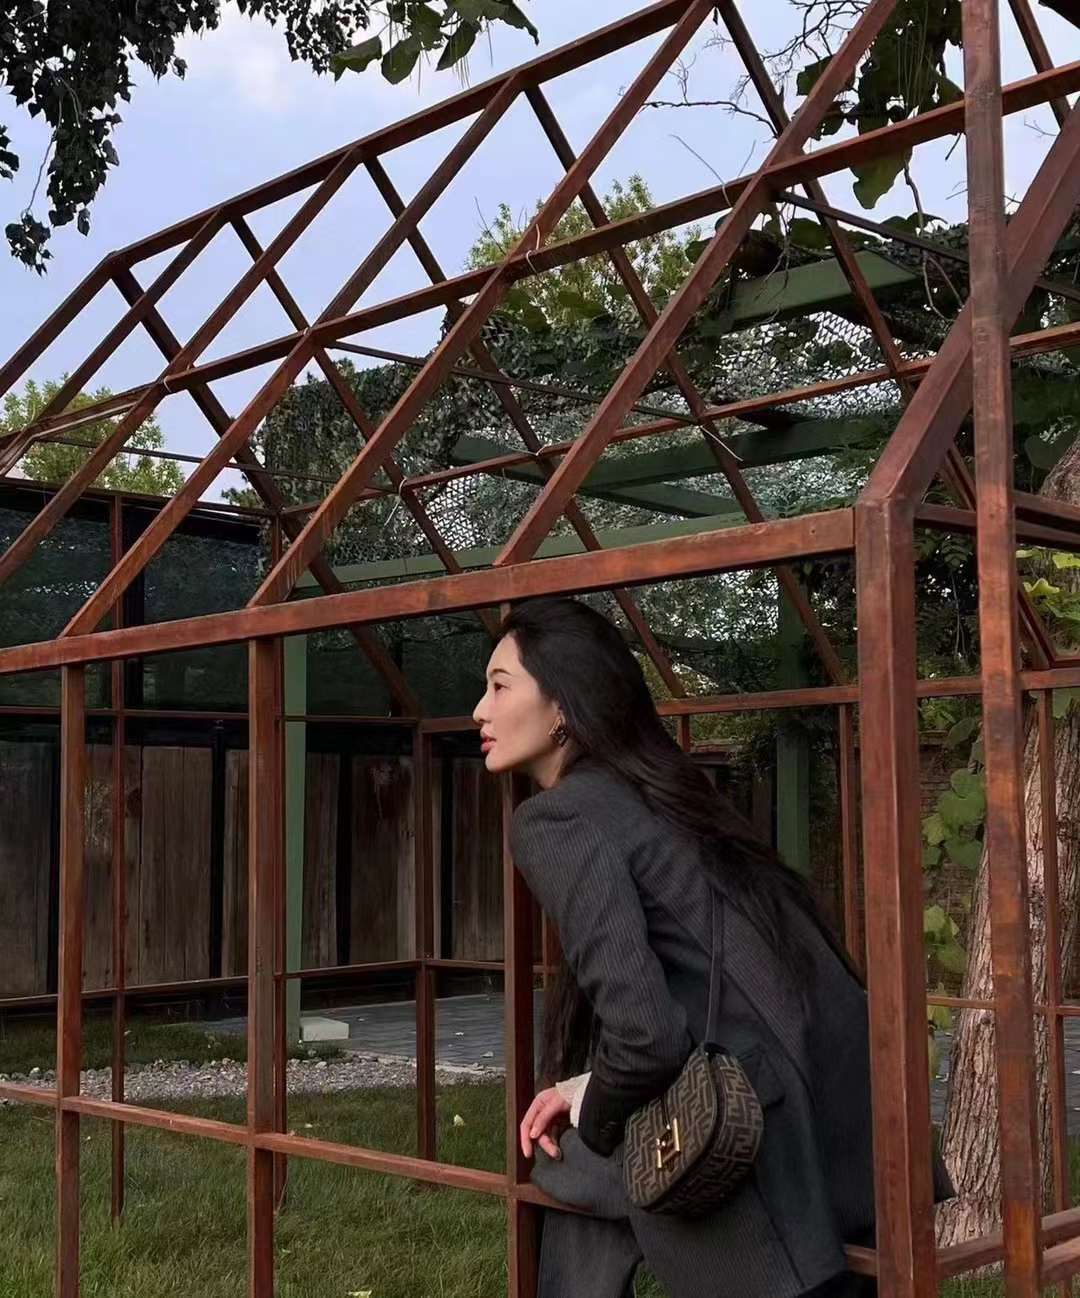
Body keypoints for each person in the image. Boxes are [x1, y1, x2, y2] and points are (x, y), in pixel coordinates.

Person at [471, 596, 953, 1298]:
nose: (478, 711)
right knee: (576, 1168)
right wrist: (589, 1089)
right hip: (849, 1124)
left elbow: (646, 1038)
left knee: (571, 1162)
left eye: (499, 686)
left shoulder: (556, 819)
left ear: (563, 706)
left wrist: (596, 1112)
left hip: (757, 1157)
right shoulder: (664, 792)